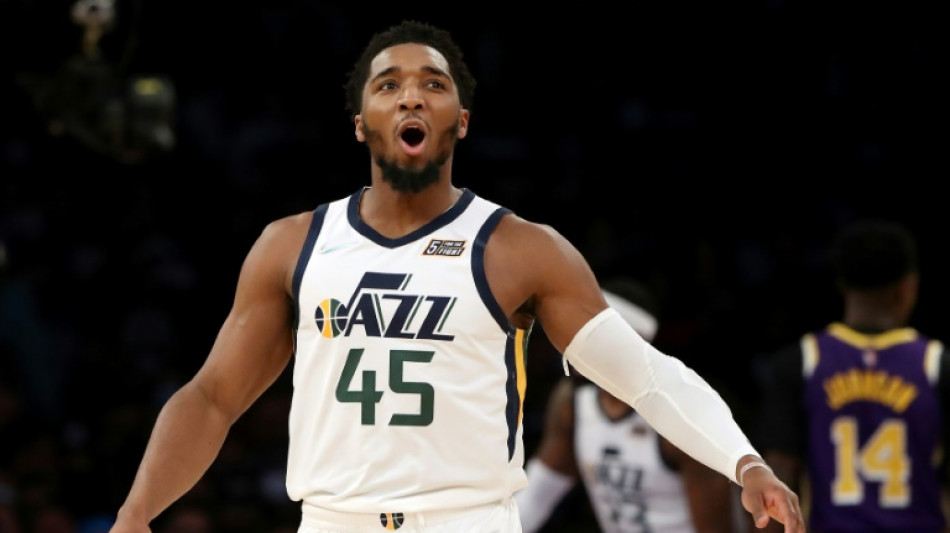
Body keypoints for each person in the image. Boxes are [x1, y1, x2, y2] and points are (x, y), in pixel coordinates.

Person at [108, 19, 805, 533]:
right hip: (332, 520)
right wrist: (136, 514)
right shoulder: (292, 245)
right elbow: (211, 398)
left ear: (461, 121)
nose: (411, 97)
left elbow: (645, 375)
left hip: (467, 520)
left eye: (432, 85)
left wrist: (744, 462)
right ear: (361, 123)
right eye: (389, 85)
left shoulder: (520, 249)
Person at [757, 218, 949, 533]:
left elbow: (779, 473)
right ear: (908, 286)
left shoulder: (803, 361)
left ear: (841, 283)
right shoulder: (936, 364)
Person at [516, 277, 739, 533]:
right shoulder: (573, 403)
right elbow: (537, 497)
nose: (571, 340)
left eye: (587, 333)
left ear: (626, 344)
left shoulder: (680, 416)